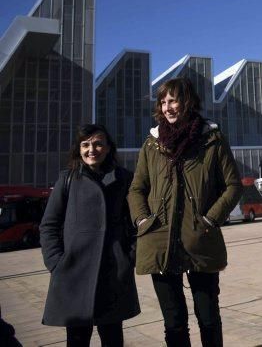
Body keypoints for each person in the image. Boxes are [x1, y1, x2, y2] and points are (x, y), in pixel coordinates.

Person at [128, 78, 242, 347]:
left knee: (208, 317)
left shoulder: (212, 139)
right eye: (163, 102)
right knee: (174, 322)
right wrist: (144, 220)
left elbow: (233, 185)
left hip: (199, 239)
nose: (167, 107)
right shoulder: (152, 144)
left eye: (173, 100)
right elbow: (136, 189)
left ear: (187, 101)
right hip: (159, 241)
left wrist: (210, 218)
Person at [40, 124, 140, 347]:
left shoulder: (124, 179)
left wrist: (128, 257)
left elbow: (137, 225)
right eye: (85, 145)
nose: (91, 150)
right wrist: (56, 262)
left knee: (112, 338)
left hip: (112, 273)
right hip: (74, 273)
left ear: (107, 148)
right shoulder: (67, 180)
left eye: (97, 144)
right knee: (76, 340)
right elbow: (49, 225)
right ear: (79, 149)